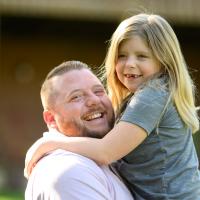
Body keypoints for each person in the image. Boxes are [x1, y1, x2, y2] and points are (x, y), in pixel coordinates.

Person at [25, 13, 200, 199]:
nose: (130, 64)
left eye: (142, 56)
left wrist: (49, 143)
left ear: (164, 62)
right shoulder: (143, 96)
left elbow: (105, 152)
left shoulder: (152, 96)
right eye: (122, 56)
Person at [24, 61, 134, 200]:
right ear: (51, 119)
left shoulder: (108, 157)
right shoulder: (69, 171)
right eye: (76, 97)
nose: (94, 100)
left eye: (98, 91)